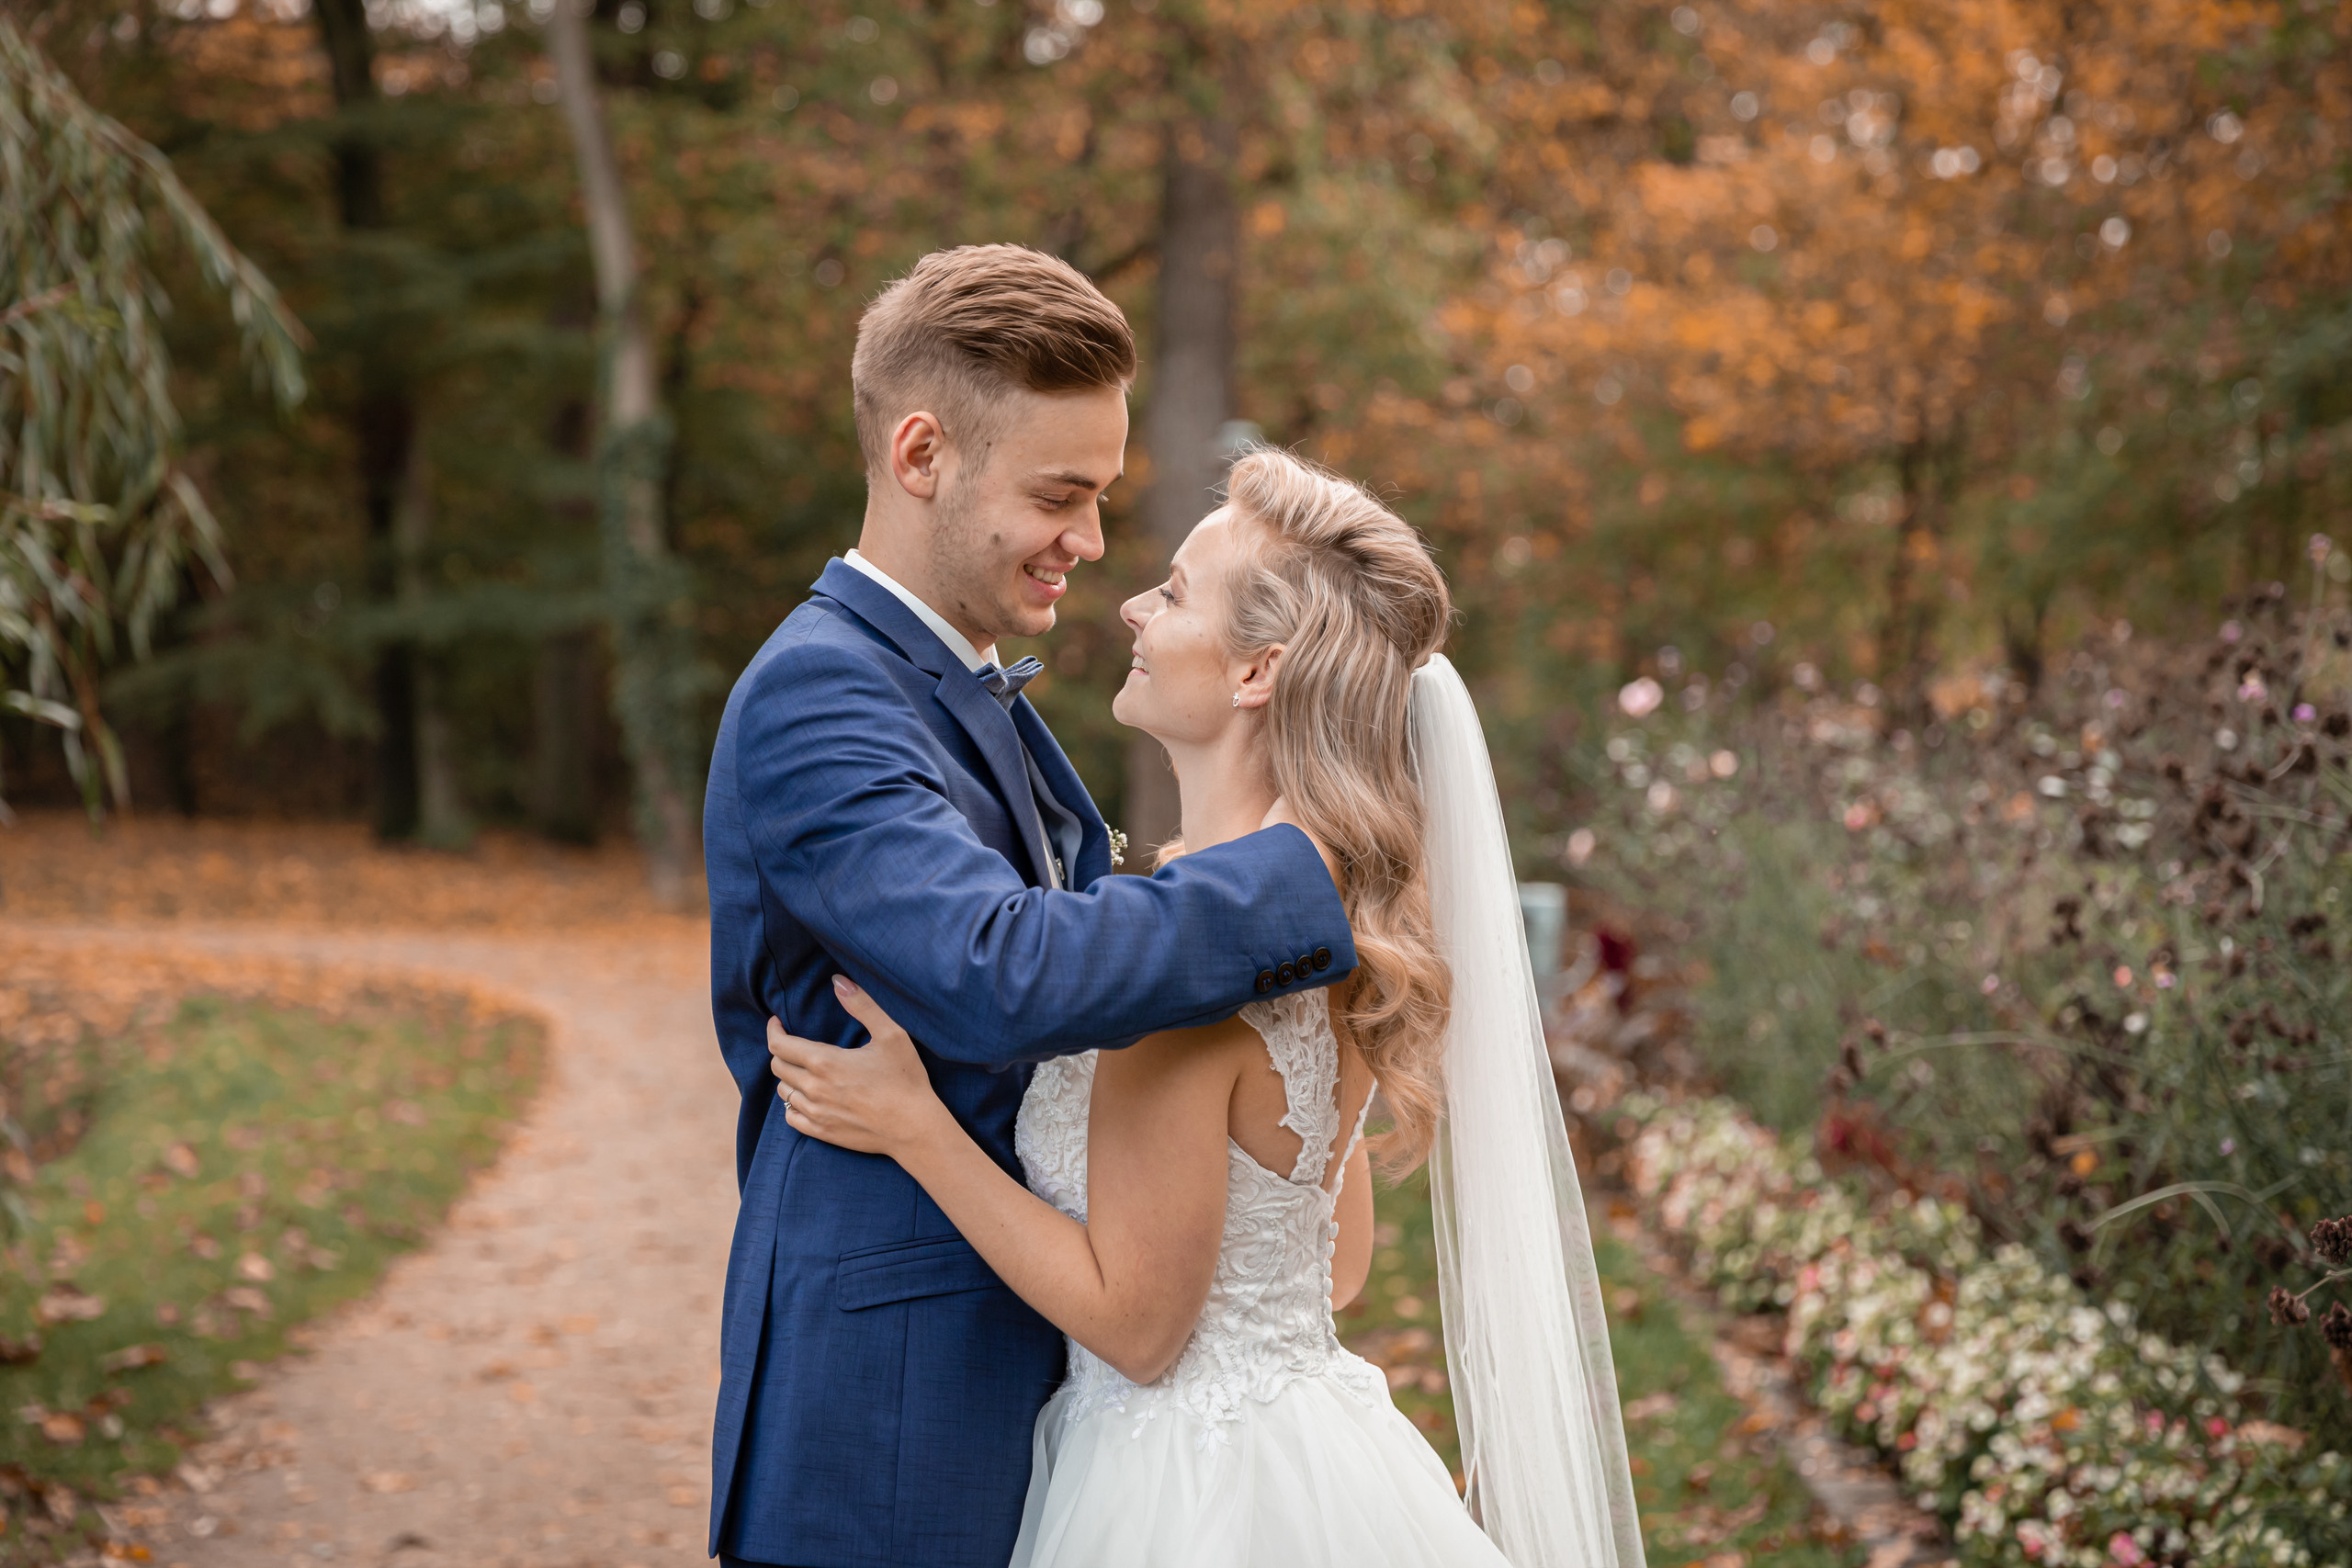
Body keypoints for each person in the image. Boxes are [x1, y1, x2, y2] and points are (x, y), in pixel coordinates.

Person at [768, 450, 1647, 1567]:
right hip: (1319, 1455)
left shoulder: (1180, 976)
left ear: (1255, 672)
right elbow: (1329, 1268)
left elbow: (1138, 1332)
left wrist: (915, 1129)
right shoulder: (1317, 938)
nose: (1134, 606)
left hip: (1178, 1490)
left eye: (1175, 593)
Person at [701, 247, 1359, 1568]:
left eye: (1100, 496)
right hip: (892, 1409)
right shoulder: (822, 691)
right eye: (1059, 495)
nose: (1093, 542)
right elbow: (1000, 970)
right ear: (922, 453)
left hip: (1033, 1381)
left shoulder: (961, 682)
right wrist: (1308, 869)